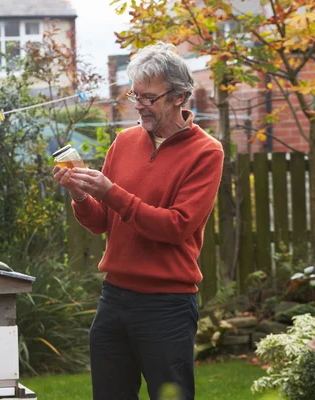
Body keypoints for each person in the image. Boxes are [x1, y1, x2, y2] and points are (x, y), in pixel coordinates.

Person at [52, 42, 224, 400]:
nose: (139, 106)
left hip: (167, 305)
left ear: (180, 96)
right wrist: (81, 193)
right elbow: (102, 223)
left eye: (149, 98)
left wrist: (111, 191)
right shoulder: (125, 140)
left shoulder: (206, 152)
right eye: (135, 95)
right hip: (114, 298)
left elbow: (176, 226)